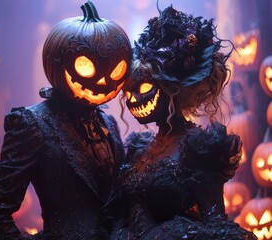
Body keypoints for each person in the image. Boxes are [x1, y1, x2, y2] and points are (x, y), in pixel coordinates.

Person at [0, 1, 132, 239]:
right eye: (87, 67)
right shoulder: (32, 124)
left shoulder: (108, 124)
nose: (103, 81)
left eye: (116, 70)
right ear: (57, 62)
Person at [109, 4, 257, 240]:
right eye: (127, 93)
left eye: (144, 87)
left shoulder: (199, 148)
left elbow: (215, 221)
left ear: (172, 89)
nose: (133, 99)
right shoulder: (137, 148)